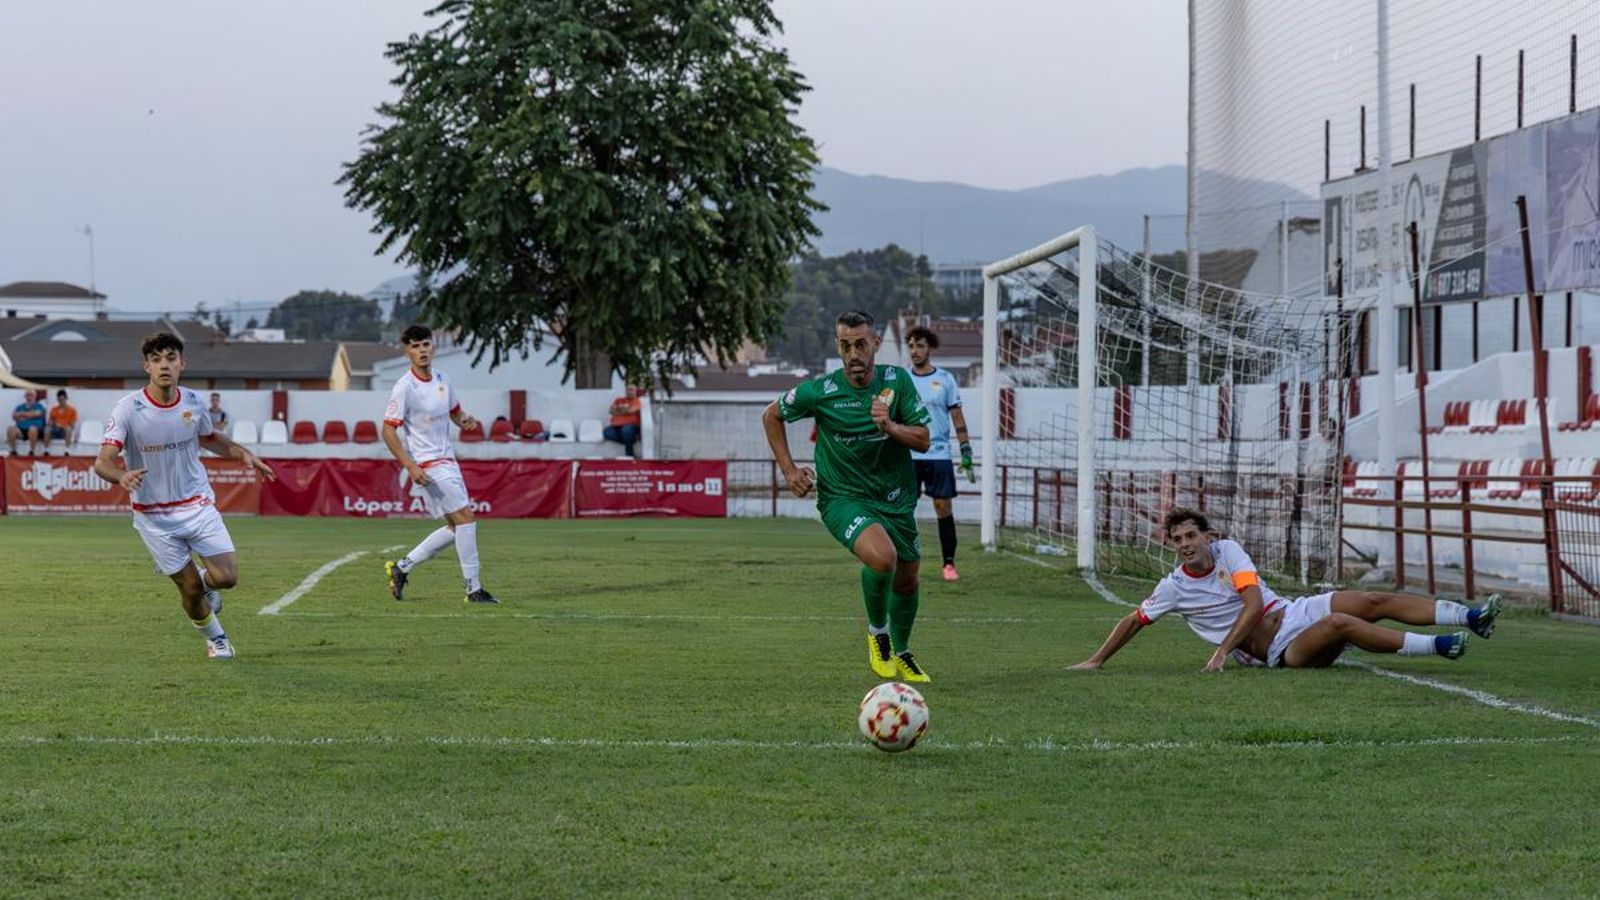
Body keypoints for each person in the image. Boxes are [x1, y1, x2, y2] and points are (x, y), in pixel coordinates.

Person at [1069, 507, 1503, 672]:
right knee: (1341, 622)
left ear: (1207, 536)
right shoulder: (1175, 587)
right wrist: (1094, 660)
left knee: (1370, 599)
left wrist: (1221, 651)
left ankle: (1471, 618)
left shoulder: (1228, 550)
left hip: (1293, 611)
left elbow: (1254, 601)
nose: (1184, 545)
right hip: (1281, 650)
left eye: (1190, 536)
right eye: (1177, 540)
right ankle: (1439, 646)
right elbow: (1135, 620)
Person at [763, 310, 934, 682]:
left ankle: (903, 653)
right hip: (843, 498)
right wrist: (790, 471)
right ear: (838, 348)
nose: (854, 353)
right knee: (883, 558)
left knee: (908, 578)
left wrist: (888, 425)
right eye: (845, 345)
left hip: (896, 498)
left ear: (875, 344)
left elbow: (923, 440)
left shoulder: (897, 382)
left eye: (860, 344)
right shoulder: (821, 391)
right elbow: (771, 415)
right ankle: (878, 635)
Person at [93, 333, 277, 660]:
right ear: (146, 366)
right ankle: (217, 639)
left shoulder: (193, 401)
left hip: (197, 504)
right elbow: (102, 461)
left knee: (228, 578)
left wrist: (243, 454)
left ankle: (204, 582)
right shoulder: (127, 410)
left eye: (171, 358)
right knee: (190, 590)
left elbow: (210, 438)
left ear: (182, 363)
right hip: (153, 516)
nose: (164, 365)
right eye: (157, 359)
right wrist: (121, 475)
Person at [382, 324, 499, 605]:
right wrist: (410, 465)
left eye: (425, 344)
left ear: (432, 346)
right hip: (429, 464)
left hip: (449, 461)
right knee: (467, 520)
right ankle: (473, 589)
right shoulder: (404, 387)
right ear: (407, 350)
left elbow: (455, 413)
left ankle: (402, 567)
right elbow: (387, 430)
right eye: (415, 346)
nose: (421, 351)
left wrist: (466, 420)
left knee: (456, 526)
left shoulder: (443, 378)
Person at [905, 326, 973, 582]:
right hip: (909, 455)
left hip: (939, 453)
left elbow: (956, 415)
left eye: (920, 345)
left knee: (943, 508)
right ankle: (905, 562)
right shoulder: (902, 379)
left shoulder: (945, 379)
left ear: (929, 348)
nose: (915, 351)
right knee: (903, 510)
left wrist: (965, 448)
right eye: (911, 346)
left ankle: (948, 564)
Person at [603, 386, 642, 458]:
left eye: (632, 390)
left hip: (630, 426)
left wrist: (618, 410)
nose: (630, 392)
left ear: (635, 391)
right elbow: (611, 411)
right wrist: (625, 410)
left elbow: (631, 411)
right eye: (628, 390)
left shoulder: (636, 401)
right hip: (616, 426)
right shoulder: (618, 400)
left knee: (626, 430)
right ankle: (627, 439)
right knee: (606, 432)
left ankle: (629, 453)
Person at [8, 390, 47, 455]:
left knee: (32, 429)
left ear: (35, 396)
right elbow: (14, 416)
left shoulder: (39, 406)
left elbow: (36, 414)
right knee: (10, 429)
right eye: (27, 395)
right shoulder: (20, 406)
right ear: (25, 397)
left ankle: (31, 451)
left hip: (35, 430)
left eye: (31, 395)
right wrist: (29, 415)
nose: (29, 397)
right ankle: (13, 451)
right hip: (22, 430)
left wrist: (22, 415)